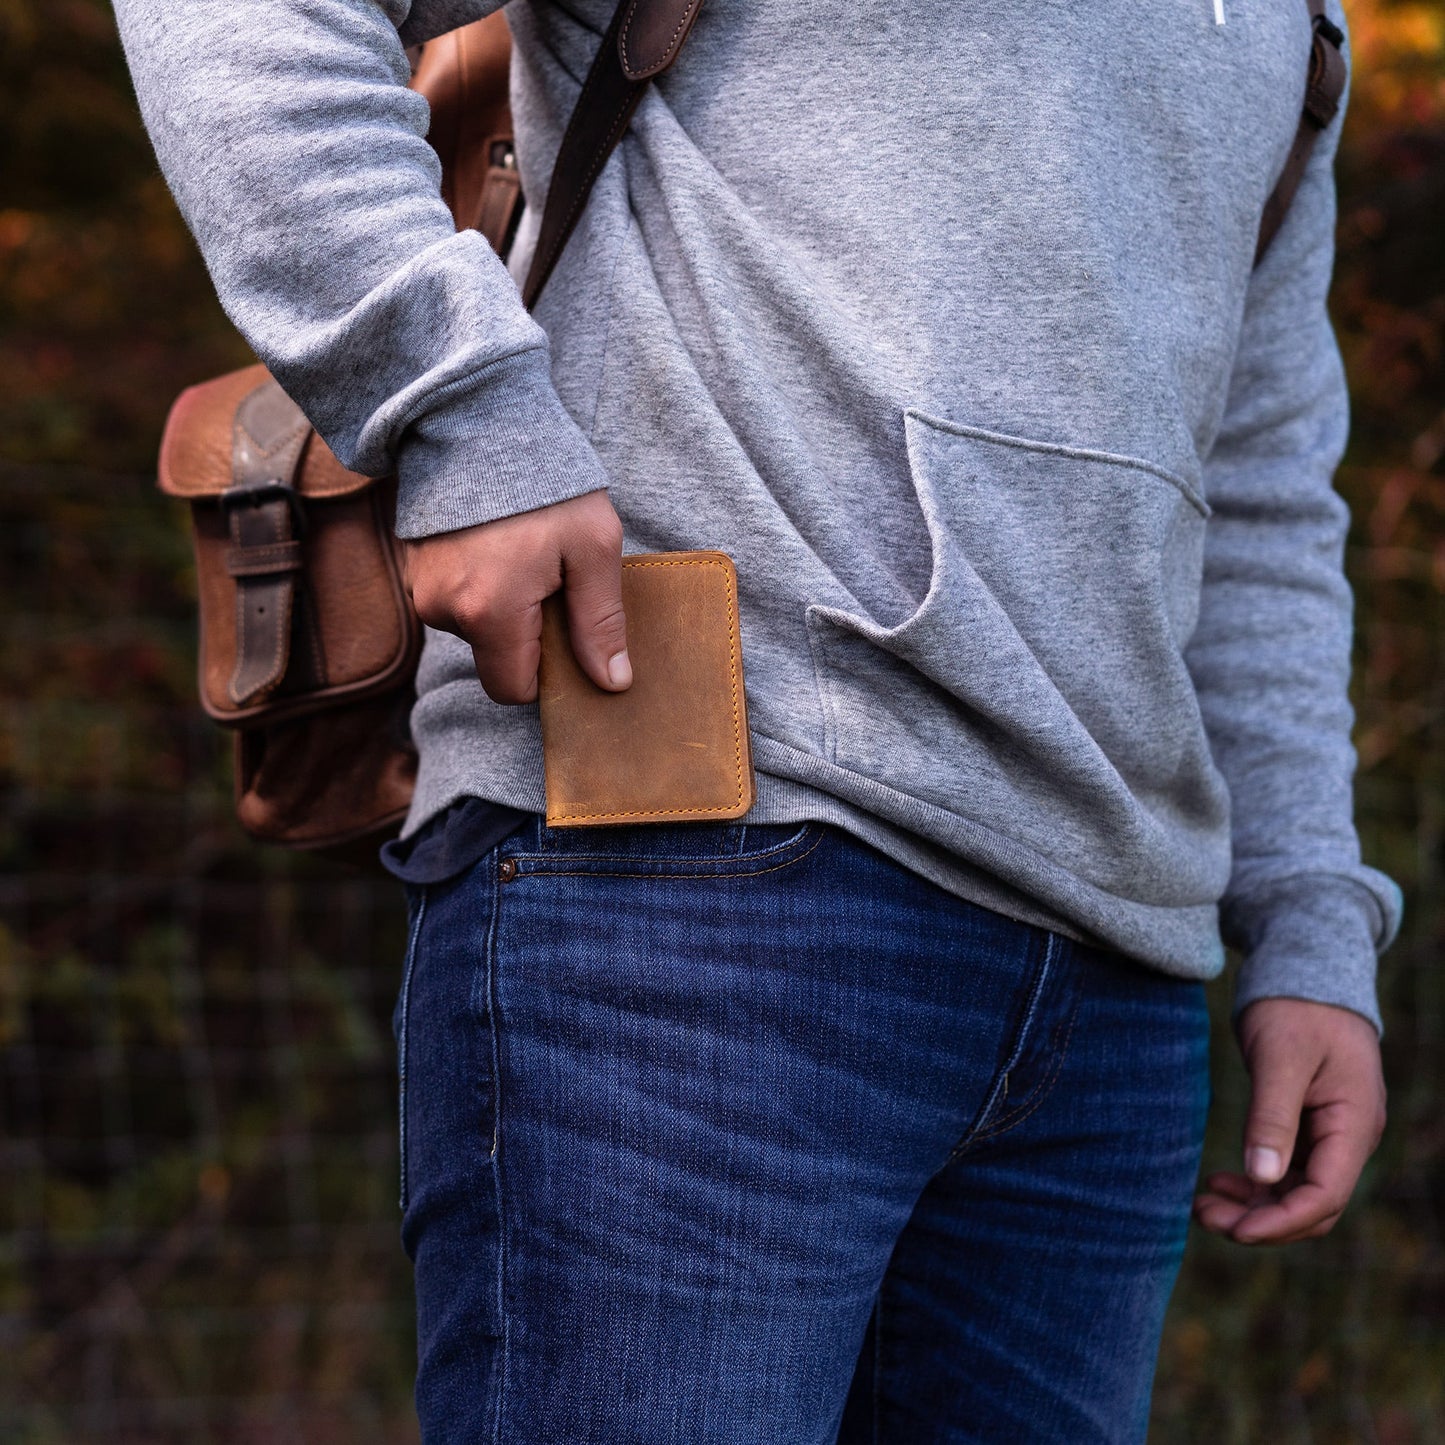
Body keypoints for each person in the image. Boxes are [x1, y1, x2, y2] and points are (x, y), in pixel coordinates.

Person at [116, 1, 1400, 1439]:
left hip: (1110, 1005)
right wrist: (463, 413)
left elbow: (1263, 483)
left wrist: (1307, 920)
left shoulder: (1293, 21)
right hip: (692, 885)